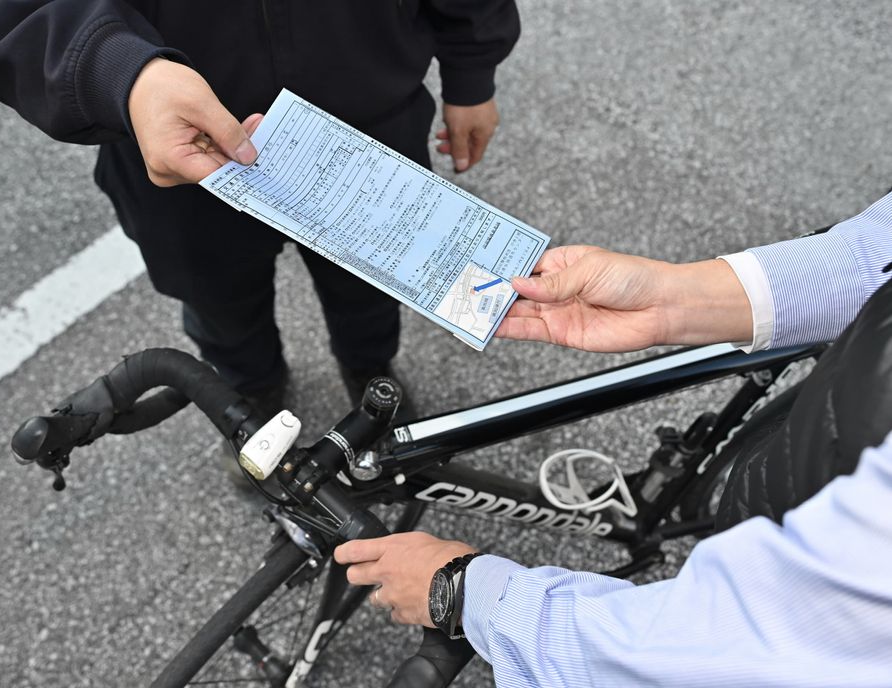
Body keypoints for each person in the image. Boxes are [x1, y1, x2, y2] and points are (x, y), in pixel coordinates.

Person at [335, 191, 892, 686]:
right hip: (819, 445)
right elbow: (879, 250)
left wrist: (466, 595)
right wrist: (674, 298)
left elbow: (740, 650)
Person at [0, 0, 519, 410]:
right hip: (180, 149)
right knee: (218, 303)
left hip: (369, 122)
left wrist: (471, 70)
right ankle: (250, 398)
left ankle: (370, 374)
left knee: (370, 288)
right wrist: (117, 69)